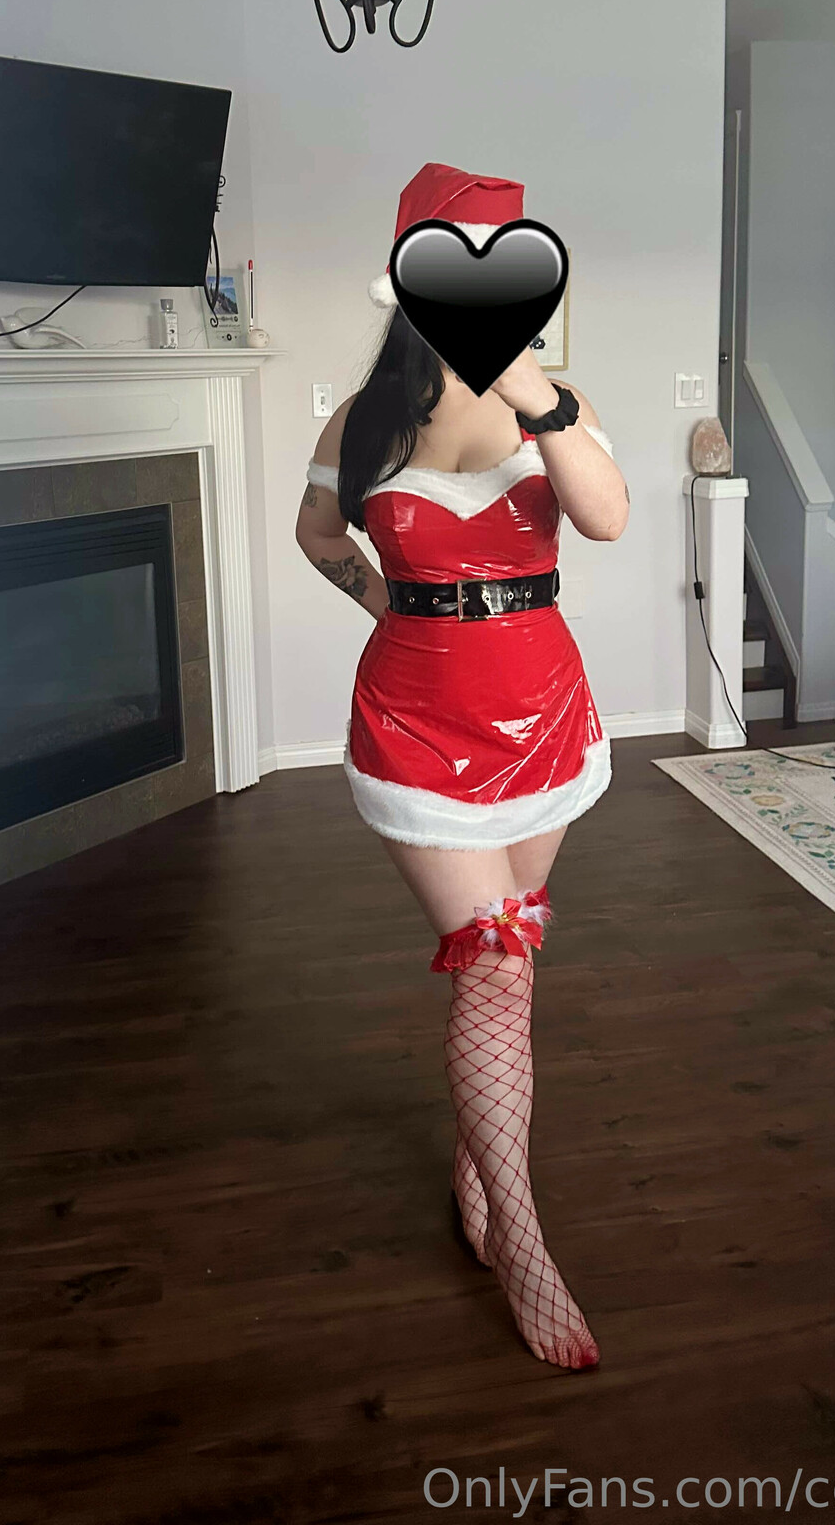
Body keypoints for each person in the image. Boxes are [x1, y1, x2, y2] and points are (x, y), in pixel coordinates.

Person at [295, 162, 628, 1370]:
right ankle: (523, 1246)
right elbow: (317, 532)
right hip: (414, 727)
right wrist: (383, 601)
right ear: (412, 284)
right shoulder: (363, 420)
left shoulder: (557, 405)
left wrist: (541, 397)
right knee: (490, 968)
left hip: (543, 718)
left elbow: (607, 519)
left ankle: (477, 1161)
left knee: (510, 970)